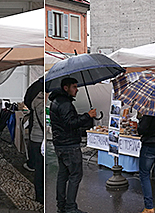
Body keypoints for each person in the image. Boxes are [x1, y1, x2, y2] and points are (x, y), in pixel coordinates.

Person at [49, 77, 96, 213]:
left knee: (63, 176)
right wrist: (88, 116)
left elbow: (67, 120)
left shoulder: (58, 101)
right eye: (74, 87)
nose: (77, 89)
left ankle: (61, 206)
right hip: (69, 145)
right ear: (66, 88)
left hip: (61, 144)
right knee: (75, 175)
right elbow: (70, 123)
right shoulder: (64, 103)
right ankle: (70, 208)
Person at [24, 78, 44, 204]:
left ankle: (40, 194)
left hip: (35, 135)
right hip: (39, 137)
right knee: (40, 169)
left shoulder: (34, 89)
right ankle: (40, 195)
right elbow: (44, 121)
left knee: (39, 167)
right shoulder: (41, 101)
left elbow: (26, 100)